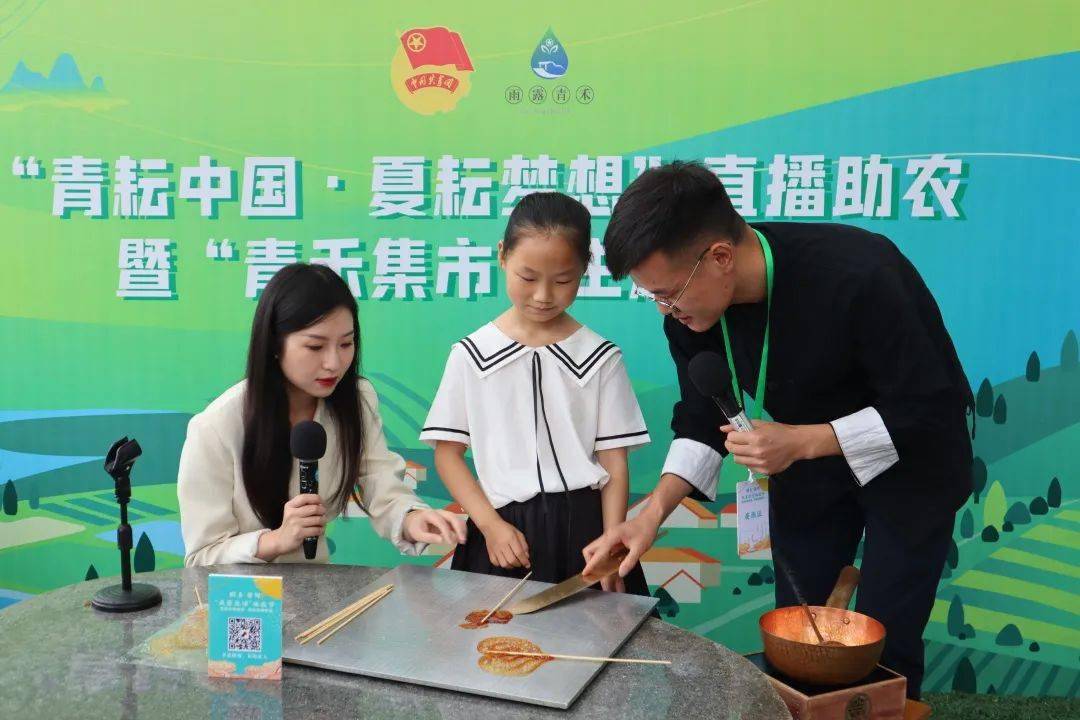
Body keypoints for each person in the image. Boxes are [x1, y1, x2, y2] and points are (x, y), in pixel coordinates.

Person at [584, 161, 973, 698]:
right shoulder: (693, 316)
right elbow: (702, 416)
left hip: (911, 461)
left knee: (886, 639)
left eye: (669, 293)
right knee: (797, 631)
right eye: (653, 296)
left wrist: (803, 439)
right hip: (806, 468)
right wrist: (648, 516)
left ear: (720, 257)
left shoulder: (861, 271)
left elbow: (927, 404)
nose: (665, 310)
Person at [421, 192, 651, 594]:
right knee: (495, 649)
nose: (544, 295)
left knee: (601, 646)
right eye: (528, 277)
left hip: (587, 536)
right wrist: (490, 525)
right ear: (502, 256)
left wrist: (612, 543)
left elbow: (614, 463)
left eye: (563, 280)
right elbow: (448, 454)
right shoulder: (470, 356)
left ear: (584, 270)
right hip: (502, 534)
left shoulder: (601, 357)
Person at [178, 263, 466, 566]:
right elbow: (202, 557)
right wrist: (275, 540)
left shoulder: (356, 400)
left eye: (346, 343)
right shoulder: (215, 428)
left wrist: (412, 518)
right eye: (315, 346)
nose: (334, 363)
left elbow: (381, 482)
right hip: (243, 604)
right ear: (275, 344)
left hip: (316, 592)